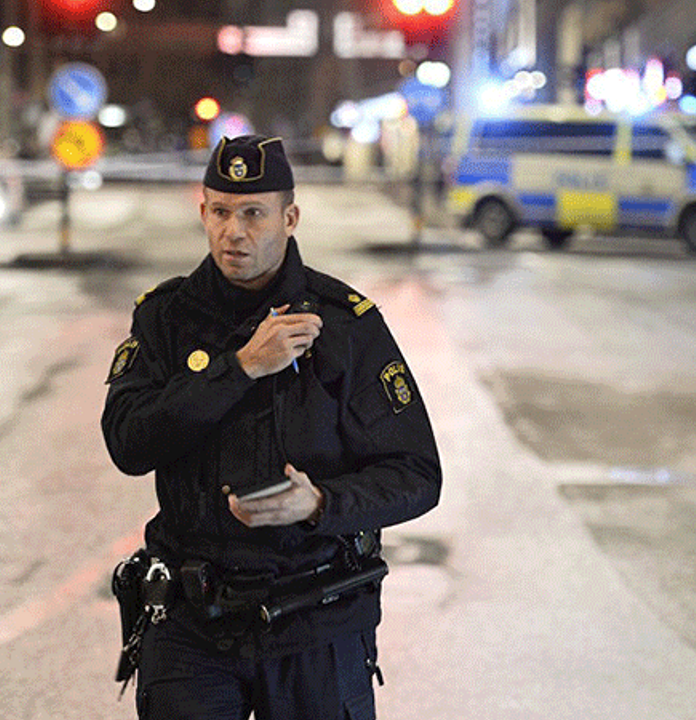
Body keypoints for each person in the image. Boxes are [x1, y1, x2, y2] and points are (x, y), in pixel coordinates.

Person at [101, 134, 442, 720]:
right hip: (192, 621)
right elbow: (129, 443)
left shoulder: (345, 324)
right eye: (220, 211)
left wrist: (321, 503)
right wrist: (241, 370)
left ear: (289, 218)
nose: (234, 231)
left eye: (254, 213)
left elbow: (416, 475)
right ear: (203, 211)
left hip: (316, 617)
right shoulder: (165, 318)